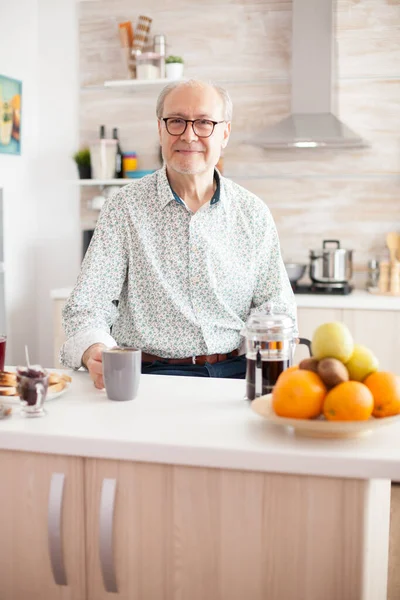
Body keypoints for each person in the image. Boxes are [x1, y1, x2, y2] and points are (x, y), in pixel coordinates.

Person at [61, 79, 296, 389]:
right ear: (160, 129)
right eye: (176, 121)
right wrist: (95, 349)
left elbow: (277, 305)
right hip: (149, 377)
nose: (188, 134)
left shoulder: (252, 212)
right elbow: (87, 305)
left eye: (203, 123)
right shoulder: (124, 207)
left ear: (224, 133)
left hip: (237, 376)